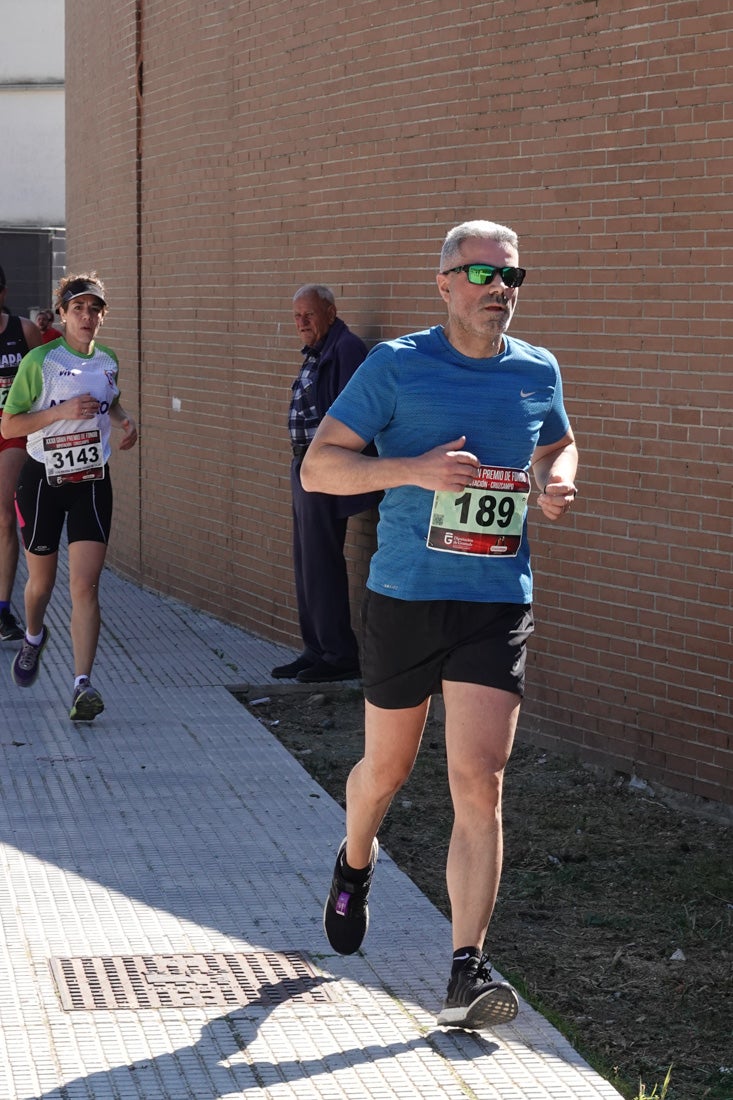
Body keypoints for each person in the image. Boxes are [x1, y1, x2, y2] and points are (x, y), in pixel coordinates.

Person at [301, 220, 579, 1030]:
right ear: (445, 281)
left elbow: (560, 443)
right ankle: (354, 861)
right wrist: (410, 470)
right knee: (384, 772)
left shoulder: (535, 368)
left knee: (479, 781)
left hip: (496, 599)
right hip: (406, 595)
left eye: (513, 276)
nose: (501, 288)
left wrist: (554, 481)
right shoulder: (396, 366)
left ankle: (465, 969)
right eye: (485, 273)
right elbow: (321, 466)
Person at [1, 272, 138, 721]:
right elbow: (8, 426)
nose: (86, 315)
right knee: (40, 585)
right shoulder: (40, 361)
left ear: (102, 317)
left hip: (92, 482)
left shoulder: (110, 360)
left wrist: (123, 419)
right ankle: (34, 636)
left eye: (94, 308)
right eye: (77, 308)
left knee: (85, 584)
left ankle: (83, 685)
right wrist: (60, 412)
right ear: (61, 315)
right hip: (42, 482)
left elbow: (109, 397)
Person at [271, 284, 379, 684]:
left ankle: (338, 654)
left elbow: (356, 413)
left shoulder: (346, 348)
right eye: (297, 316)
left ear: (330, 313)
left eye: (309, 315)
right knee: (306, 561)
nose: (301, 323)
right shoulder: (318, 351)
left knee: (321, 561)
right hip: (305, 467)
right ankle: (315, 649)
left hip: (327, 468)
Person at [0, 265, 42, 641]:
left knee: (2, 514)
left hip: (13, 432)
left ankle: (2, 612)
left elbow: (49, 373)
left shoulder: (22, 331)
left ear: (4, 294)